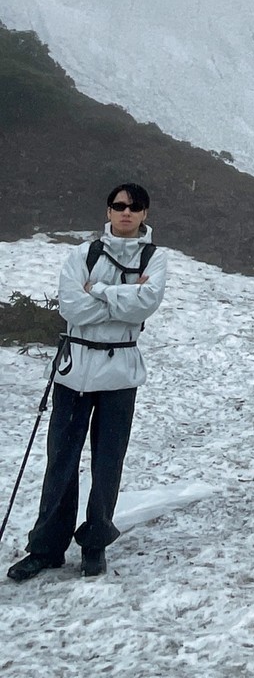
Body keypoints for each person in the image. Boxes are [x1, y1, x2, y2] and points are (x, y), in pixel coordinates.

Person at [7, 183, 168, 582]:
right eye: (118, 206)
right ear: (108, 211)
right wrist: (121, 299)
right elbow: (70, 306)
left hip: (120, 373)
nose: (125, 212)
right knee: (61, 461)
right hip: (74, 370)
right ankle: (46, 547)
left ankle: (95, 544)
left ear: (145, 214)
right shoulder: (82, 253)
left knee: (107, 463)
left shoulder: (156, 257)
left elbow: (145, 305)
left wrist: (96, 291)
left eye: (134, 207)